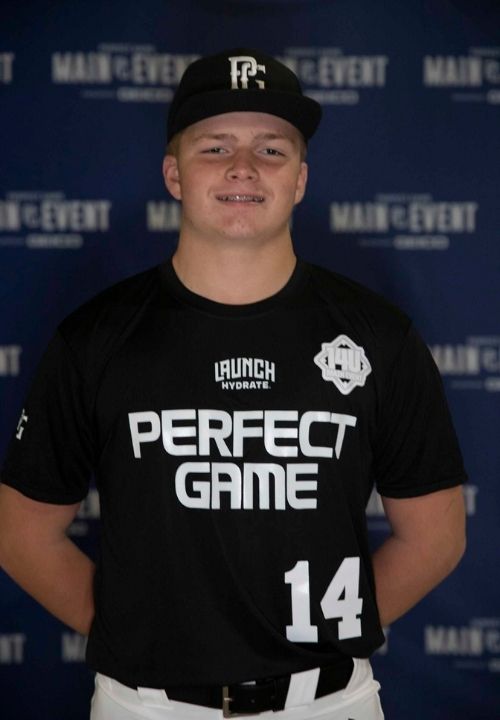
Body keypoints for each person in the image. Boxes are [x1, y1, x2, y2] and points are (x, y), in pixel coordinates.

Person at [0, 48, 467, 720]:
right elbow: (21, 533)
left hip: (328, 702)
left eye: (271, 150)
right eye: (215, 146)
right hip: (146, 705)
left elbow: (436, 536)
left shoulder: (379, 336)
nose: (243, 166)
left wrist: (324, 632)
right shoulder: (97, 337)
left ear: (300, 180)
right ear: (174, 174)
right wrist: (135, 634)